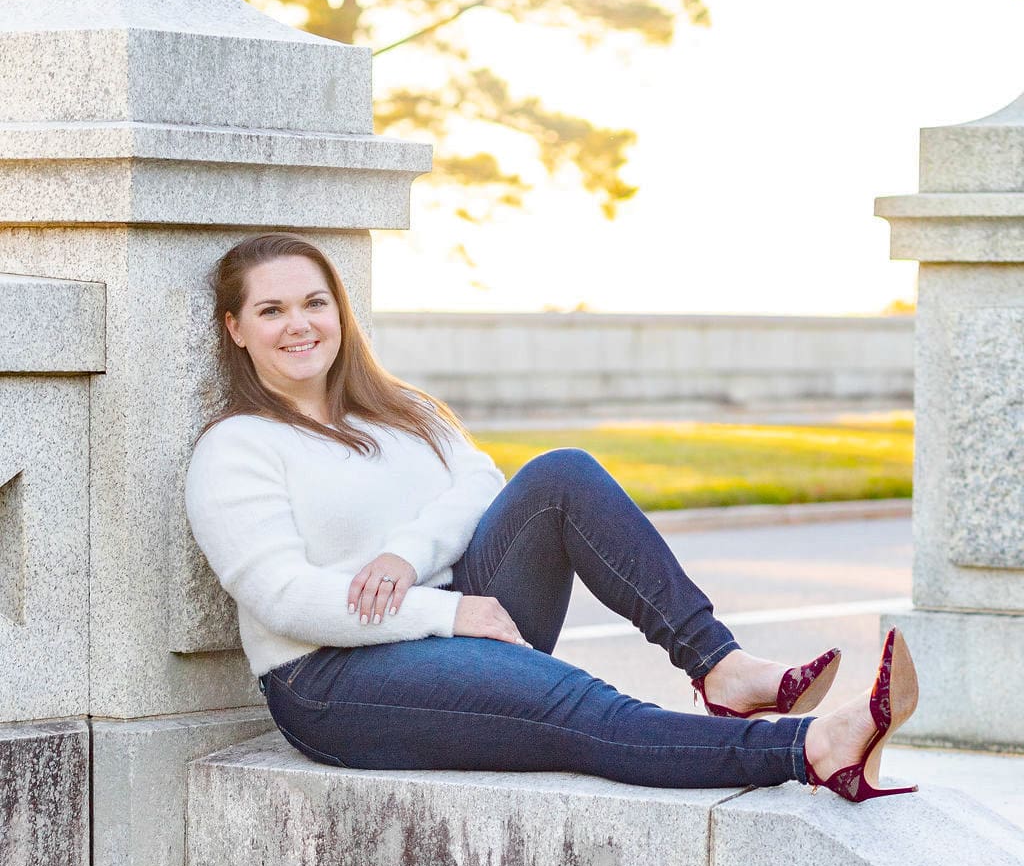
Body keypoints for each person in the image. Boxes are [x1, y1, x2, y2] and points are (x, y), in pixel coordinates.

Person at [185, 232, 920, 804]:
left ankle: (719, 667)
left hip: (469, 617)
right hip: (334, 680)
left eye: (315, 302)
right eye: (271, 310)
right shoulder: (237, 448)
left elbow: (479, 481)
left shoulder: (396, 410)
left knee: (560, 474)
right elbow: (283, 597)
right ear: (237, 329)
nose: (299, 325)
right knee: (578, 706)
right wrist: (442, 615)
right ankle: (811, 748)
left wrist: (410, 556)